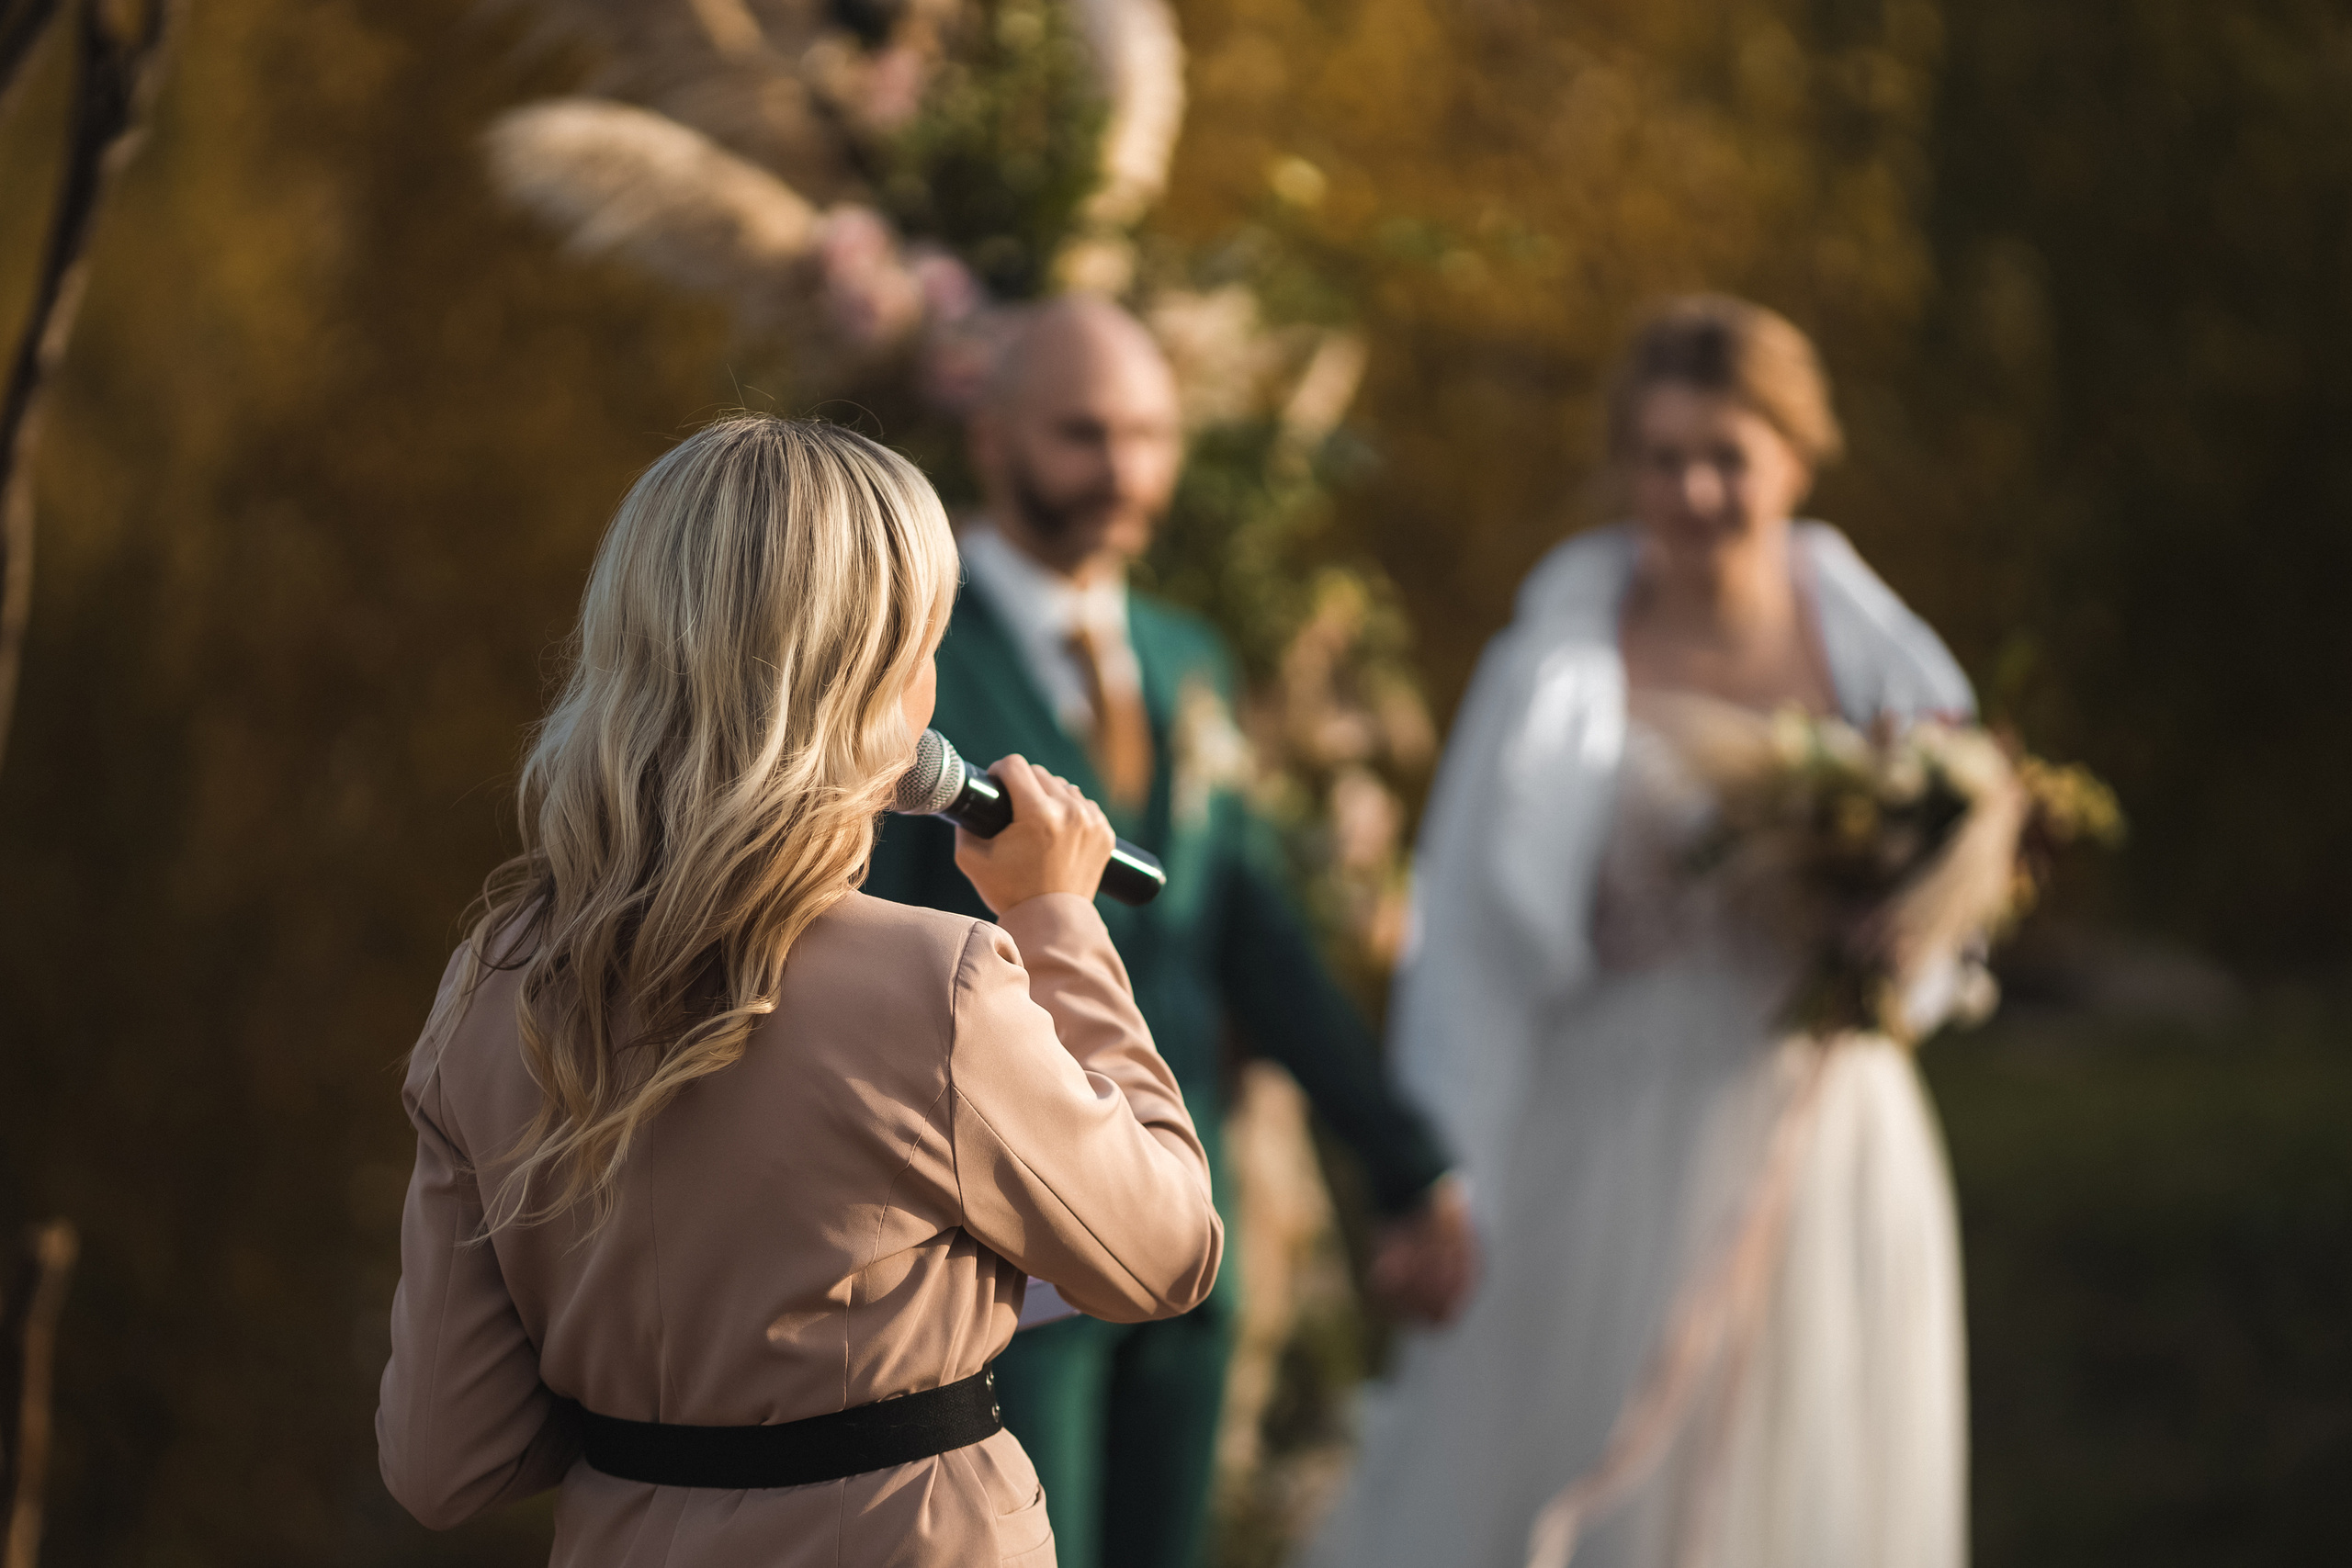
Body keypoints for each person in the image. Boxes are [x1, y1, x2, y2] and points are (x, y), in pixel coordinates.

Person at [376, 415, 1224, 1566]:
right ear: (869, 682)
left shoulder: (490, 991)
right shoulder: (943, 986)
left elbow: (444, 1461)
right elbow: (1165, 1254)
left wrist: (666, 1405)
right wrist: (1059, 920)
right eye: (926, 644)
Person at [1301, 296, 1975, 1568]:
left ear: (1796, 456)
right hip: (1609, 1127)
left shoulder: (1887, 669)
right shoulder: (1552, 659)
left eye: (1728, 454)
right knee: (1579, 1460)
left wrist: (1903, 939)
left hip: (1828, 1125)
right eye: (1661, 456)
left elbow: (1955, 909)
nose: (1693, 489)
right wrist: (1441, 1170)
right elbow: (1473, 952)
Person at [864, 295, 1477, 1568]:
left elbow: (1257, 937)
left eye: (1150, 433)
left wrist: (1405, 1163)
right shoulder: (915, 659)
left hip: (1191, 1222)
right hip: (1003, 1242)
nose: (1126, 469)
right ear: (993, 439)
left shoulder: (1188, 656)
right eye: (1084, 434)